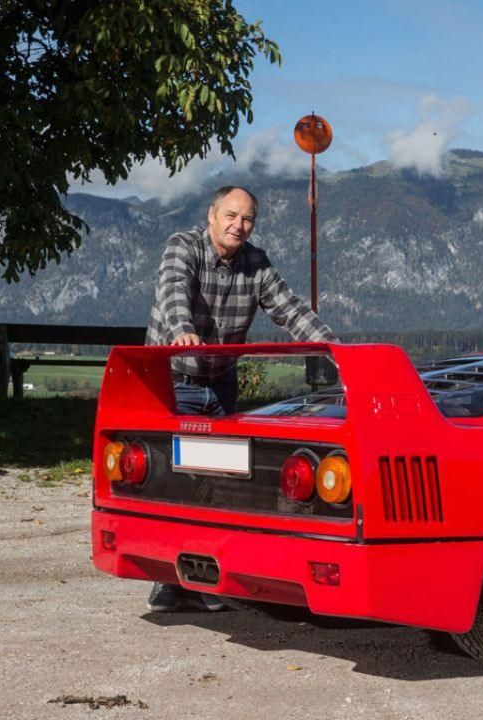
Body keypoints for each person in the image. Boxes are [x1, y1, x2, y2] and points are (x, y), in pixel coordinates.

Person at [144, 185, 338, 612]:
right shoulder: (183, 247)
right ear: (212, 215)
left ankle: (213, 577)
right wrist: (181, 330)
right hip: (175, 380)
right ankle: (169, 582)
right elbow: (172, 289)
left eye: (247, 219)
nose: (239, 225)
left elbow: (290, 310)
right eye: (231, 215)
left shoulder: (256, 262)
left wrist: (335, 350)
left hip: (222, 383)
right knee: (177, 481)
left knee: (226, 483)